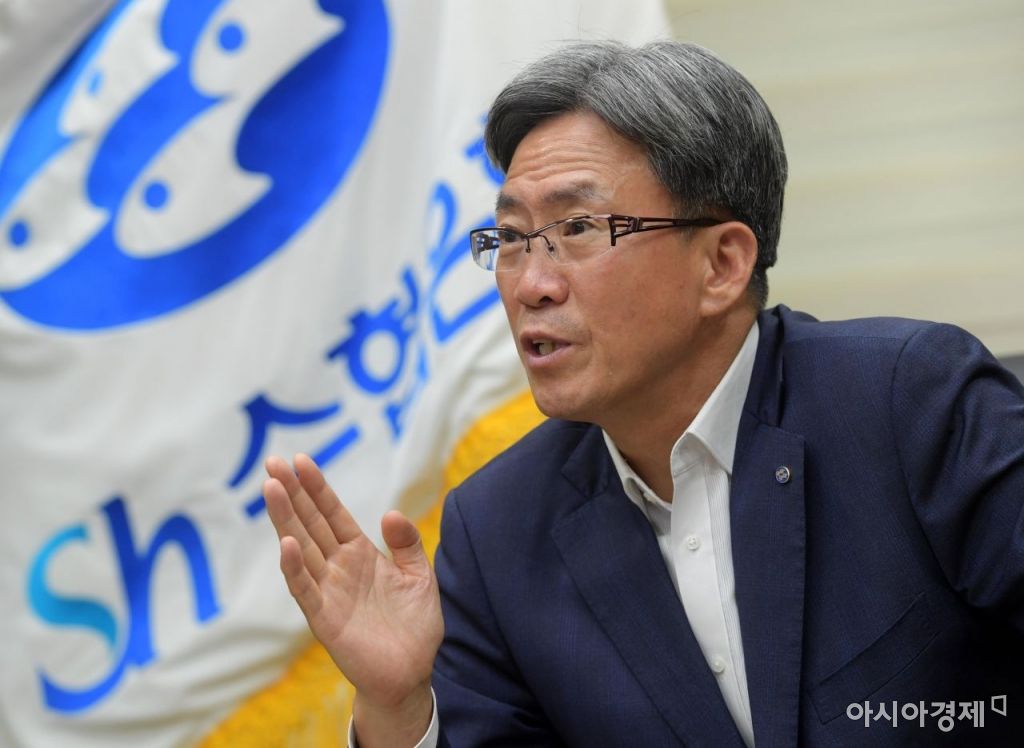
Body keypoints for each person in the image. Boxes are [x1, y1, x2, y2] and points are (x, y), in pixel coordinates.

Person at [263, 40, 1024, 747]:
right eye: (512, 239)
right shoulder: (498, 531)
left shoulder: (908, 402)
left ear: (722, 264)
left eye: (577, 228)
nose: (531, 284)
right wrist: (400, 708)